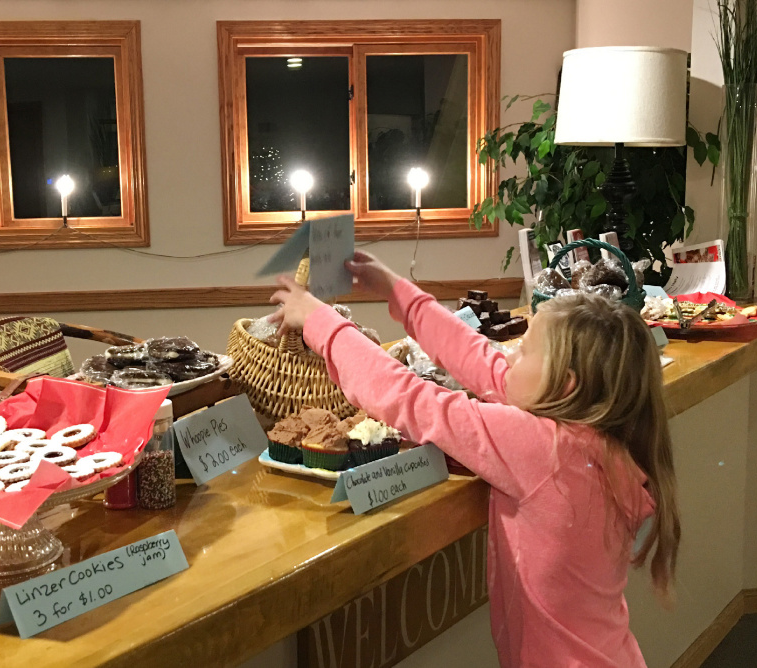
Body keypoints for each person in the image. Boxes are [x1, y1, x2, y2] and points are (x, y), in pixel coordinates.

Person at [267, 250, 679, 668]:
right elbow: (486, 363)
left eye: (525, 350)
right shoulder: (599, 439)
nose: (509, 356)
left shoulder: (544, 449)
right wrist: (395, 289)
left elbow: (409, 398)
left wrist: (322, 324)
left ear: (565, 386)